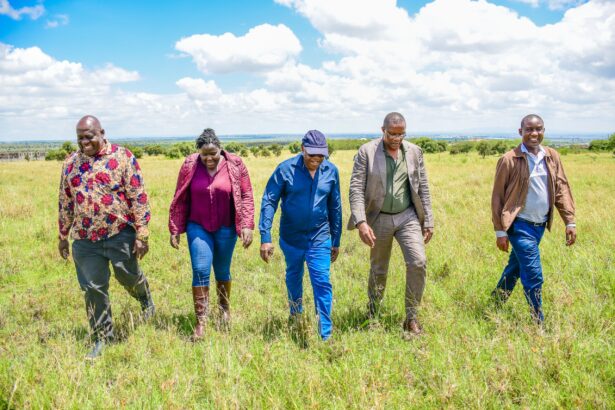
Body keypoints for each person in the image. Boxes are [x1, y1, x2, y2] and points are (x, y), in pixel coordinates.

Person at [58, 115, 154, 359]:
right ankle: (102, 338)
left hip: (119, 234)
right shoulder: (70, 163)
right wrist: (62, 235)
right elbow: (65, 202)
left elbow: (138, 196)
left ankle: (144, 298)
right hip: (84, 239)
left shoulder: (122, 157)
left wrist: (142, 234)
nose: (84, 142)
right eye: (80, 137)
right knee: (93, 288)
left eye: (89, 136)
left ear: (102, 133)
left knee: (128, 276)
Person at [348, 112, 434, 336]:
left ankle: (411, 318)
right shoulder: (367, 152)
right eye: (392, 134)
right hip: (379, 217)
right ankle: (373, 312)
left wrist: (428, 220)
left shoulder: (414, 151)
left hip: (407, 216)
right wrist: (361, 222)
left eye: (401, 134)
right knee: (379, 269)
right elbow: (356, 188)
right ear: (382, 130)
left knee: (418, 262)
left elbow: (423, 186)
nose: (397, 138)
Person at [168, 129, 254, 339]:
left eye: (213, 154)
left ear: (220, 149)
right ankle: (201, 323)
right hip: (198, 226)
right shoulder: (190, 165)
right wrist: (175, 228)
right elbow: (180, 196)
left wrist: (247, 224)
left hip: (226, 226)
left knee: (222, 270)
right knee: (200, 270)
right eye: (204, 154)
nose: (208, 158)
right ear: (199, 152)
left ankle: (224, 310)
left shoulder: (235, 164)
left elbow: (246, 194)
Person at [491, 114, 576, 324]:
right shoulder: (509, 159)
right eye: (529, 129)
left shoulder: (551, 156)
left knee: (515, 268)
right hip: (519, 225)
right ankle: (537, 321)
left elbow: (561, 189)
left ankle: (495, 303)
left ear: (543, 131)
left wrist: (569, 221)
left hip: (539, 226)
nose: (534, 133)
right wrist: (500, 231)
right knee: (534, 273)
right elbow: (498, 197)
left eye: (538, 129)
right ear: (520, 132)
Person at [259, 130, 342, 342]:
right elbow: (269, 201)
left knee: (322, 280)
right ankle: (295, 315)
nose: (316, 159)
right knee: (293, 276)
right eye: (312, 154)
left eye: (321, 155)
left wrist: (336, 239)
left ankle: (325, 333)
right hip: (291, 238)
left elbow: (335, 206)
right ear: (302, 148)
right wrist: (265, 237)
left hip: (320, 237)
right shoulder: (285, 170)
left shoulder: (331, 171)